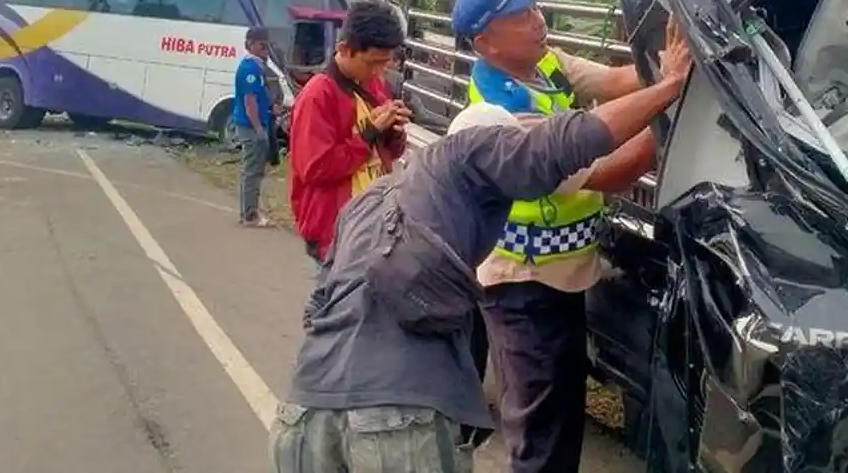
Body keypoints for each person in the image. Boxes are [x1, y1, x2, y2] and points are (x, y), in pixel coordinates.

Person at [269, 54, 690, 473]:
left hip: (304, 410)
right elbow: (562, 145)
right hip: (394, 416)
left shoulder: (368, 203)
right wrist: (670, 88)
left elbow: (318, 305)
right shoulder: (471, 152)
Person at [449, 0, 688, 473]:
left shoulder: (545, 64)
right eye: (521, 15)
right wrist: (673, 109)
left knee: (560, 419)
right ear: (485, 41)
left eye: (536, 7)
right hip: (524, 289)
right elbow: (611, 171)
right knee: (541, 436)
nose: (539, 20)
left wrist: (669, 66)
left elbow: (618, 81)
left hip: (561, 279)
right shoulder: (503, 118)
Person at [289, 0, 412, 266]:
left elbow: (390, 153)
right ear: (345, 49)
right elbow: (316, 168)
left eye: (385, 63)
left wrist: (393, 131)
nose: (379, 71)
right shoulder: (318, 96)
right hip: (336, 231)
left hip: (373, 223)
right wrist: (368, 133)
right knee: (335, 304)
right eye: (373, 62)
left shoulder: (374, 85)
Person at [235, 26, 276, 228]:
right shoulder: (249, 69)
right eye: (261, 44)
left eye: (267, 44)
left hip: (257, 123)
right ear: (251, 44)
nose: (265, 48)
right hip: (251, 127)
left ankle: (249, 211)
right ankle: (250, 215)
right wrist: (259, 129)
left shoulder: (258, 67)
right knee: (252, 171)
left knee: (255, 170)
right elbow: (249, 102)